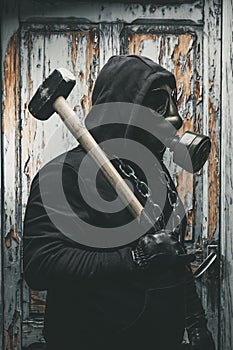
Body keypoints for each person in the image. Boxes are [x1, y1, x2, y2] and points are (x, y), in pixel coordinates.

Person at [23, 55, 215, 350]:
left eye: (172, 104)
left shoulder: (153, 173)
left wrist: (197, 324)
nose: (175, 118)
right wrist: (135, 257)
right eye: (158, 105)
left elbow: (171, 257)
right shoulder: (62, 175)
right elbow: (41, 265)